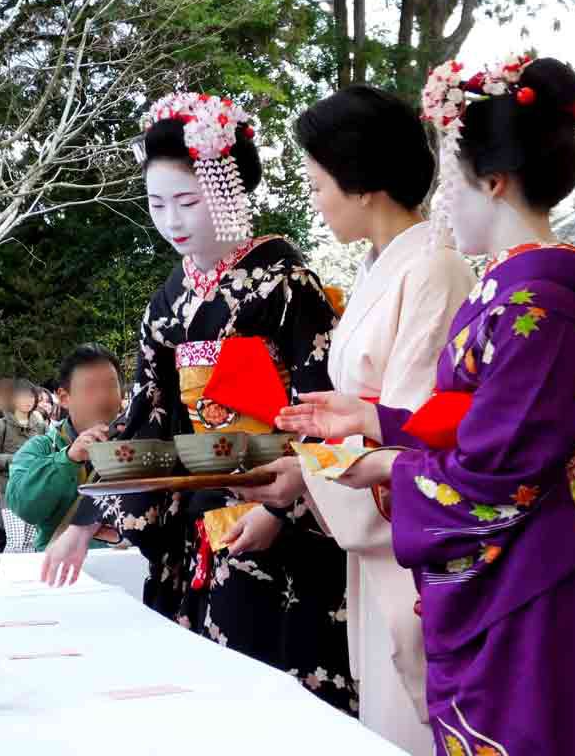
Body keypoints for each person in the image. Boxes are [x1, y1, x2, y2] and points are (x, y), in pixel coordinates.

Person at [278, 57, 575, 754]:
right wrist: (376, 421)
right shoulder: (513, 293)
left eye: (452, 186)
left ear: (493, 183)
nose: (440, 206)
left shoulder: (540, 305)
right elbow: (489, 426)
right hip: (538, 559)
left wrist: (385, 469)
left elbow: (500, 471)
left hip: (556, 575)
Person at [41, 93, 357, 712]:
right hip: (201, 511)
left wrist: (285, 506)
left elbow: (324, 407)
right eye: (157, 204)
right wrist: (83, 522)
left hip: (284, 507)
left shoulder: (284, 285)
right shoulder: (166, 305)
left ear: (227, 189)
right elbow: (148, 417)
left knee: (282, 689)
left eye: (188, 200)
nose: (172, 220)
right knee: (208, 690)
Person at [238, 86, 475, 751]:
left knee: (411, 729)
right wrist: (300, 468)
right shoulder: (385, 268)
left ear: (363, 182)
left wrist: (302, 479)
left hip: (406, 552)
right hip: (369, 545)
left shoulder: (433, 270)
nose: (314, 200)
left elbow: (412, 431)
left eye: (318, 185)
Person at [7, 346, 123, 552]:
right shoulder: (40, 448)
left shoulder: (137, 444)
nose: (103, 396)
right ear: (64, 397)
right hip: (60, 570)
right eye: (91, 388)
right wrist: (69, 459)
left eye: (111, 386)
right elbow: (25, 508)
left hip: (131, 565)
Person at [0, 379, 44, 553]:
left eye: (31, 396)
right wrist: (17, 459)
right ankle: (8, 577)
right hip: (10, 489)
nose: (28, 400)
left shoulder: (40, 426)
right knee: (16, 541)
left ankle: (27, 580)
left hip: (34, 489)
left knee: (31, 542)